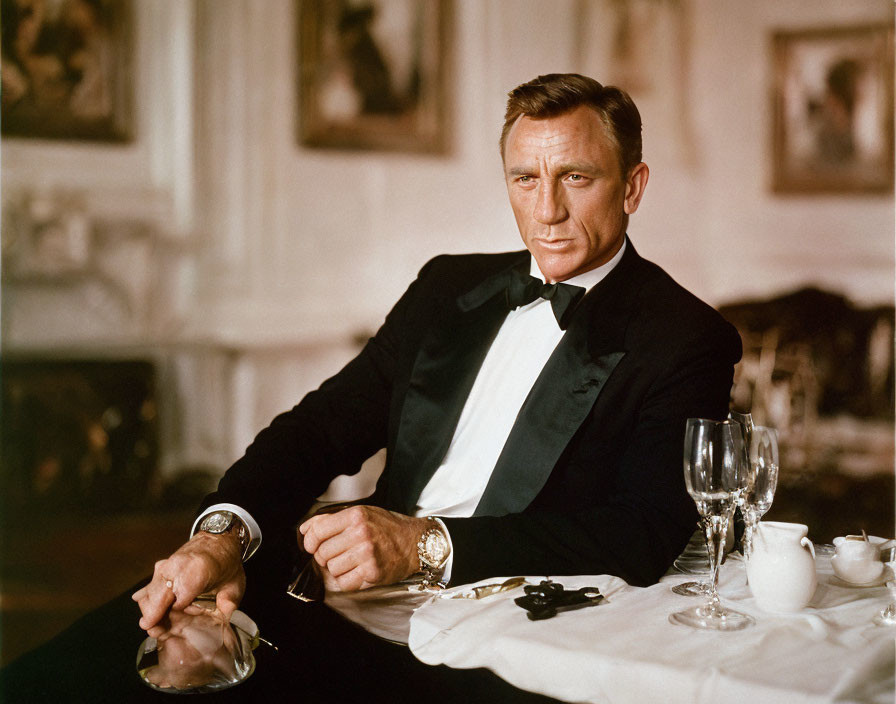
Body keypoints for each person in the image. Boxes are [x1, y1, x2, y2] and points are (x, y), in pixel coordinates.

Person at [1, 73, 741, 702]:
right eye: (525, 178)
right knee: (71, 670)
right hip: (327, 596)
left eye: (575, 178)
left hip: (486, 642)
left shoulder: (682, 337)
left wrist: (425, 545)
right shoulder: (449, 285)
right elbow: (316, 430)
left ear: (632, 186)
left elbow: (641, 531)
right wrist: (218, 538)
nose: (545, 210)